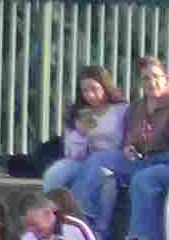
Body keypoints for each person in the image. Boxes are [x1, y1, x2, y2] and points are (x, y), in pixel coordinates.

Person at [72, 55, 169, 240]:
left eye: (156, 77)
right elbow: (130, 136)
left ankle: (149, 239)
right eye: (146, 78)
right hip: (144, 159)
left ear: (166, 79)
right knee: (97, 160)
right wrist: (128, 148)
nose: (151, 82)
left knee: (143, 178)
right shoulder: (137, 107)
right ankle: (77, 214)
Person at [44, 65, 129, 194]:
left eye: (94, 89)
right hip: (84, 161)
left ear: (105, 87)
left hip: (112, 163)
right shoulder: (78, 113)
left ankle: (80, 212)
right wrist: (80, 134)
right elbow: (72, 154)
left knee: (106, 183)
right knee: (55, 172)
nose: (90, 95)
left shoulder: (122, 110)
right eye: (85, 91)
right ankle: (49, 209)